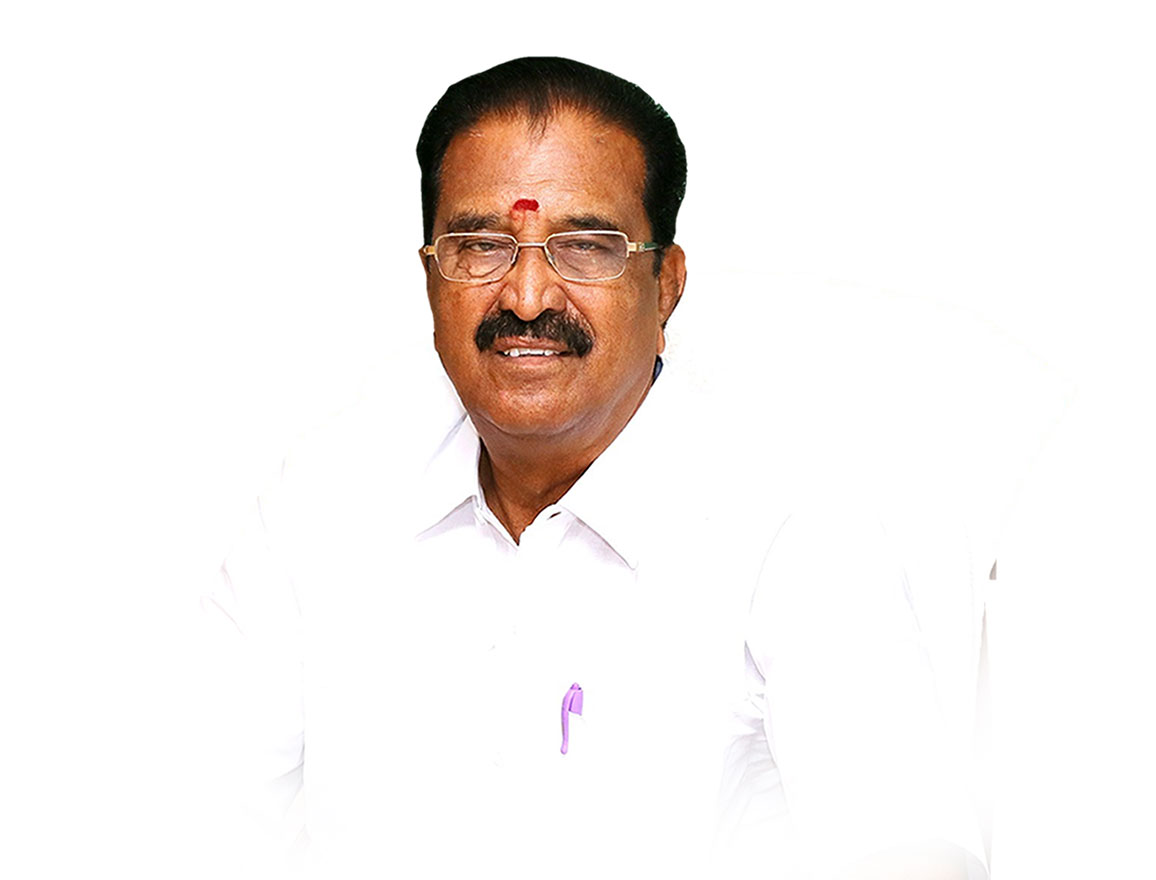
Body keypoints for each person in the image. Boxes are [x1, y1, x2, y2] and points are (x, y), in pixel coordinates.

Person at [204, 57, 991, 879]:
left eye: (585, 248)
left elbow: (912, 858)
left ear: (666, 285)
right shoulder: (322, 505)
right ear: (432, 277)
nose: (528, 297)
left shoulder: (791, 528)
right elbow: (192, 823)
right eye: (481, 247)